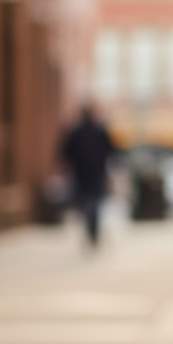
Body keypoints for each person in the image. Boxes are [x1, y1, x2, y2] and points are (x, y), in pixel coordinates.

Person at [60, 105, 114, 246]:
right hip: (96, 173)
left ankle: (91, 231)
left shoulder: (76, 132)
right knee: (94, 202)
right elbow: (110, 151)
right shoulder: (100, 131)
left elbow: (66, 153)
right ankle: (93, 231)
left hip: (82, 174)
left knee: (86, 202)